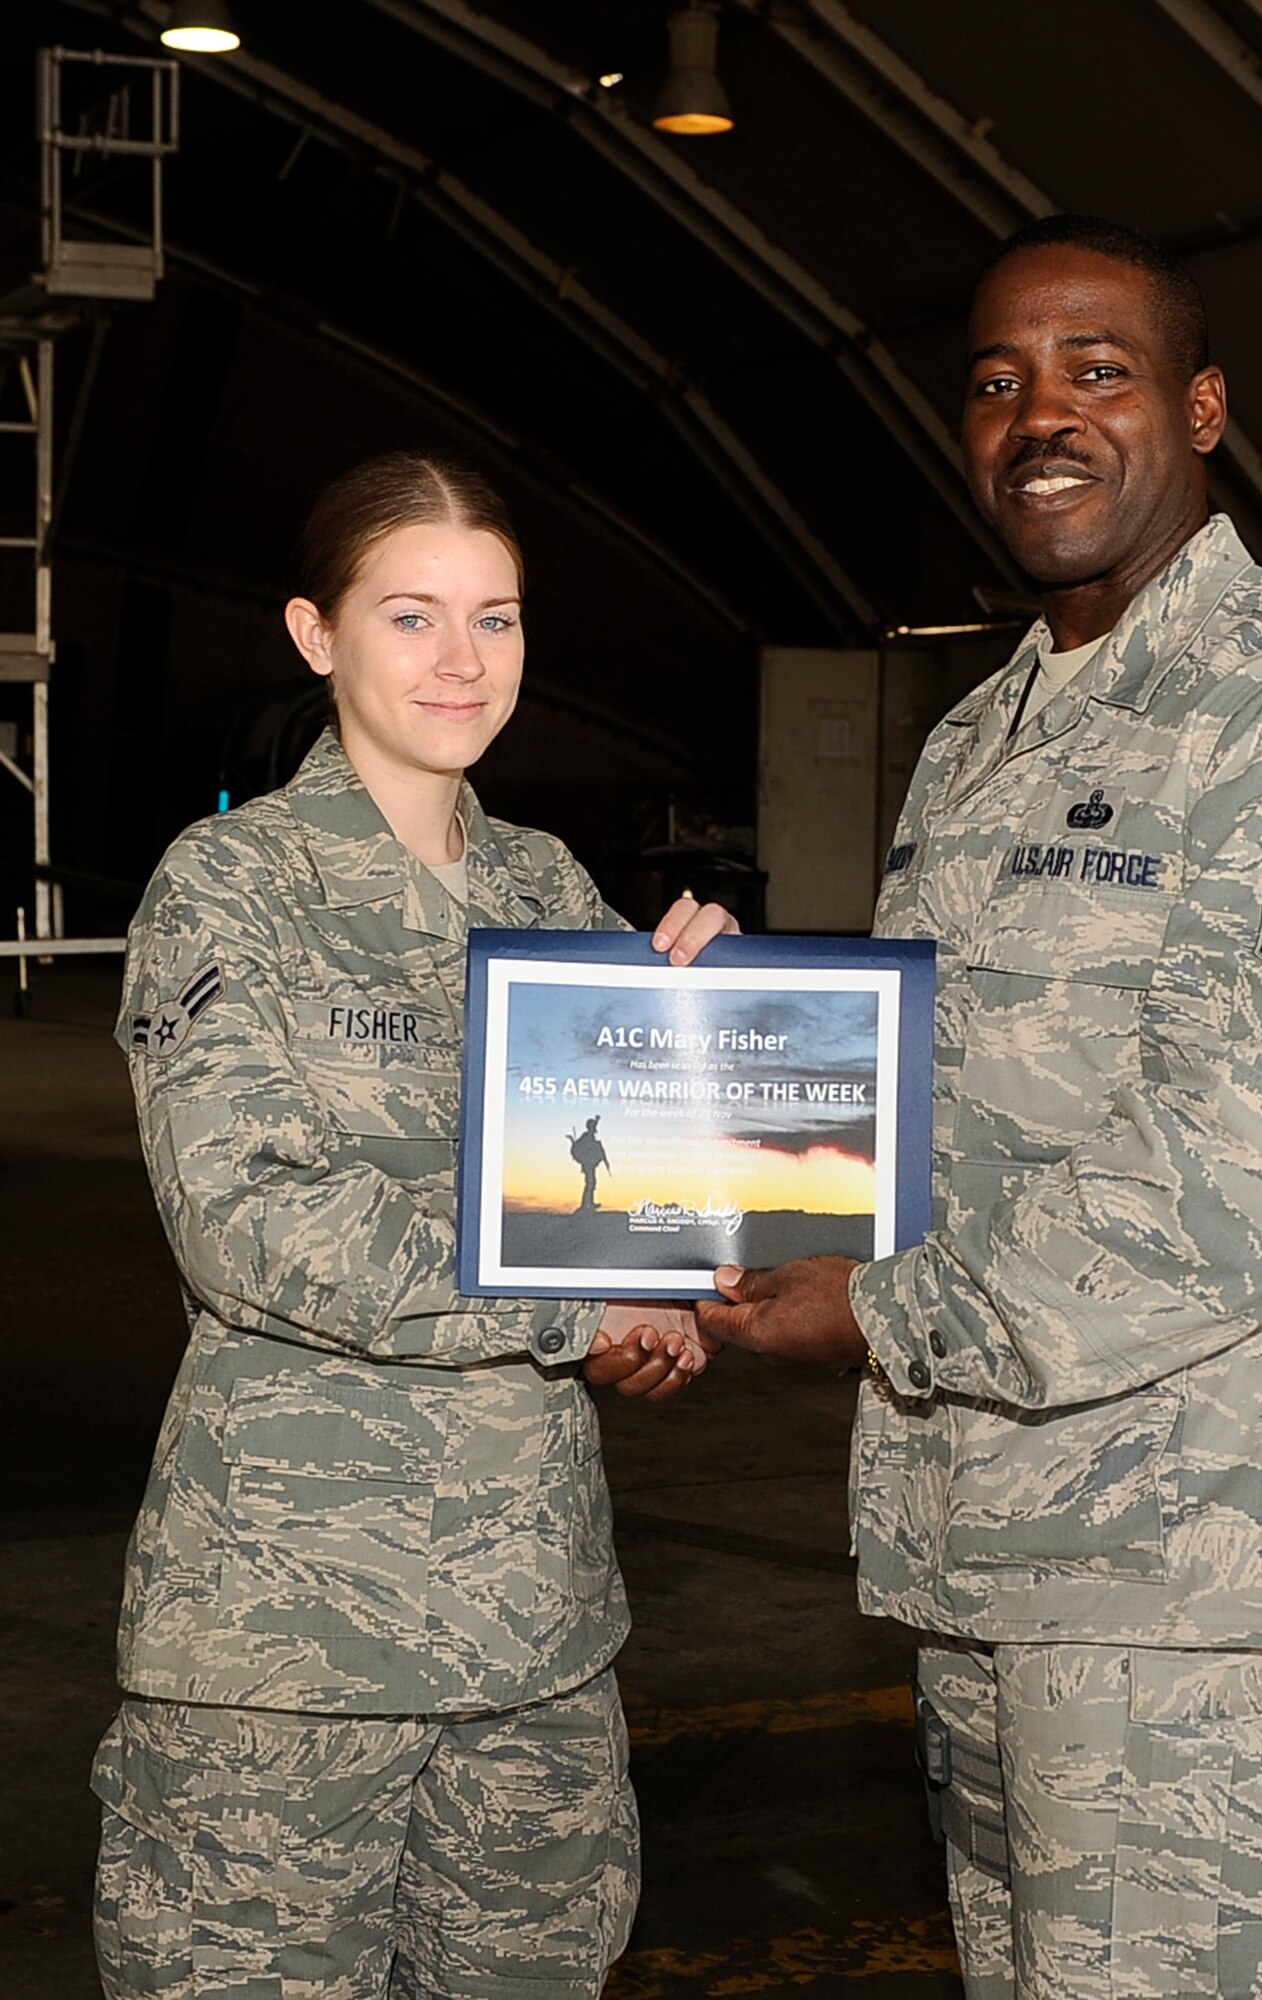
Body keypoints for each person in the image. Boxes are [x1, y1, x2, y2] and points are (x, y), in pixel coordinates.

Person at [698, 214, 1262, 1998]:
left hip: (1197, 1605)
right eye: (996, 382)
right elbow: (929, 1106)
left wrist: (872, 1306)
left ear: (1202, 410)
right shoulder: (986, 737)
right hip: (1003, 1567)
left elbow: (1250, 1176)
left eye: (1096, 372)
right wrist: (702, 1105)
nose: (1040, 414)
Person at [93, 451, 728, 1999]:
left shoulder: (548, 887)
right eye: (413, 616)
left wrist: (707, 1034)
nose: (462, 662)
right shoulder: (228, 887)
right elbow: (249, 1222)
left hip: (537, 1646)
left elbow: (642, 1200)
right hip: (289, 1658)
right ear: (318, 637)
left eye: (496, 619)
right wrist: (581, 1309)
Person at [571, 1115, 610, 1212]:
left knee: (591, 1183)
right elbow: (582, 1147)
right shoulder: (586, 1136)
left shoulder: (590, 1136)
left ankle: (589, 1203)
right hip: (588, 1164)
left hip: (591, 1164)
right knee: (590, 1183)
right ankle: (586, 1204)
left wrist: (597, 1120)